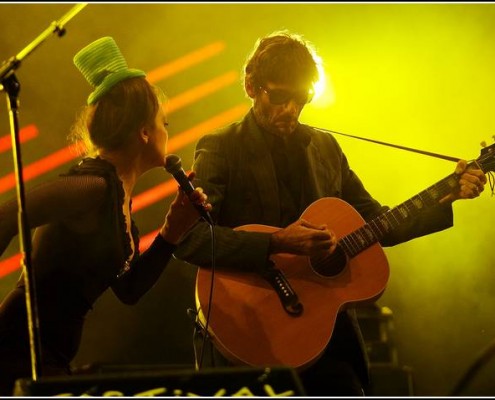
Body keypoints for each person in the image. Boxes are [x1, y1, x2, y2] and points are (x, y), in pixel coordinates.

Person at [172, 30, 488, 396]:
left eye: (302, 98)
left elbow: (376, 224)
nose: (291, 109)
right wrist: (277, 241)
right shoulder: (221, 147)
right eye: (279, 96)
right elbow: (190, 238)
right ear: (251, 86)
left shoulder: (324, 147)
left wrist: (448, 194)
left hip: (327, 339)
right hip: (252, 332)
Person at [0, 36, 212, 395]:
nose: (167, 131)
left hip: (50, 358)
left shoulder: (118, 203)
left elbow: (128, 290)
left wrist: (172, 231)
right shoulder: (93, 187)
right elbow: (7, 213)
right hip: (15, 354)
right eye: (165, 122)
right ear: (145, 132)